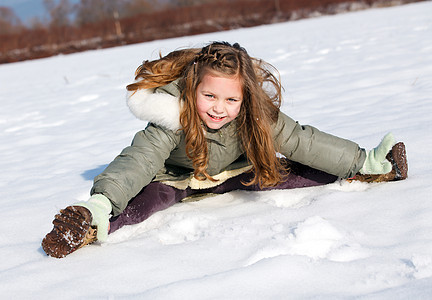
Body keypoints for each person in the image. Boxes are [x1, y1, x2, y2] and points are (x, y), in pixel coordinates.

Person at [42, 41, 408, 258]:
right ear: (193, 90)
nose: (220, 107)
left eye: (231, 98)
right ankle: (91, 224)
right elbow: (139, 159)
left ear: (245, 95)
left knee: (296, 172)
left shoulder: (255, 116)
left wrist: (363, 158)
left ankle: (368, 170)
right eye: (210, 96)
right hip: (178, 180)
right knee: (147, 201)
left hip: (234, 174)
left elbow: (302, 140)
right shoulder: (174, 114)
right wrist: (103, 199)